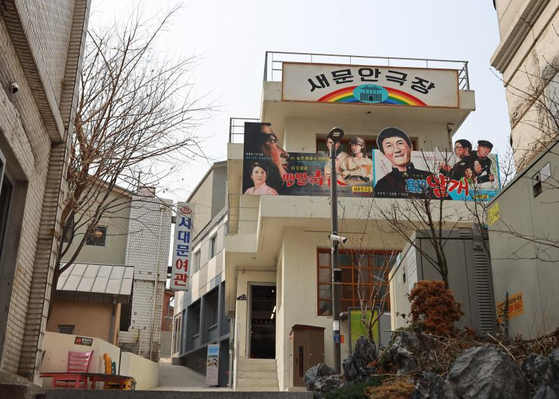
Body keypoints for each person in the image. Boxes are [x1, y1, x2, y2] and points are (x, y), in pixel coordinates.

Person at [374, 127, 431, 198]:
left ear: (411, 147)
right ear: (384, 154)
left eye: (400, 143)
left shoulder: (429, 177)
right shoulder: (382, 184)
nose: (397, 150)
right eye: (389, 146)